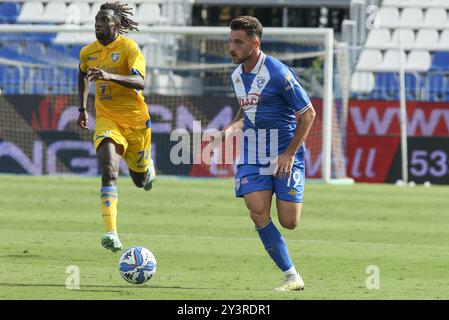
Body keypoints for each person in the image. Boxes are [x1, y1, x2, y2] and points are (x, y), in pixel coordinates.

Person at [212, 16, 316, 291]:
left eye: (238, 42)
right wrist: (227, 131)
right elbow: (245, 113)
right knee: (257, 211)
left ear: (255, 44)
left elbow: (308, 114)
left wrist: (289, 154)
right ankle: (292, 276)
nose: (231, 48)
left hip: (284, 153)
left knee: (289, 221)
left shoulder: (278, 73)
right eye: (230, 41)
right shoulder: (237, 75)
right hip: (253, 152)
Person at [77, 2, 155, 253]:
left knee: (139, 180)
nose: (98, 24)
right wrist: (82, 107)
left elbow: (141, 81)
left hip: (135, 122)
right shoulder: (88, 52)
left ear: (117, 24)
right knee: (109, 170)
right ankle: (111, 232)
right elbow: (82, 73)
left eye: (104, 21)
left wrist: (110, 76)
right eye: (96, 21)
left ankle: (147, 168)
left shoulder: (129, 48)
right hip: (107, 119)